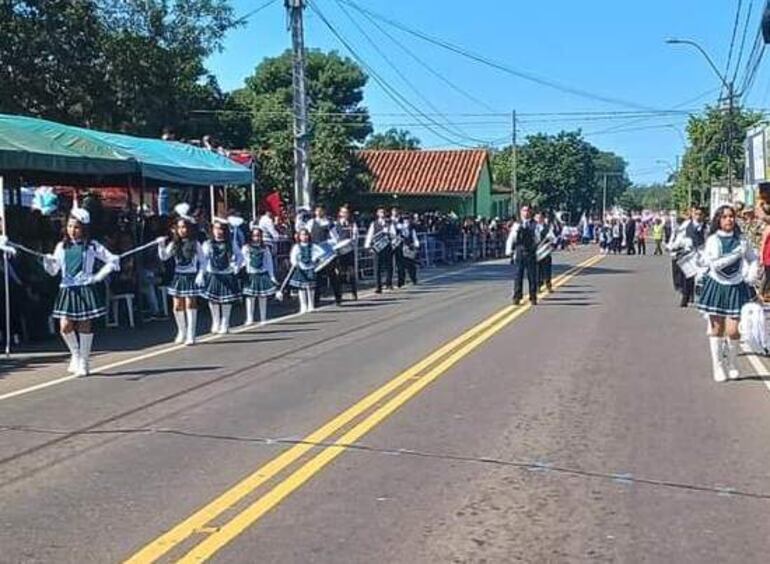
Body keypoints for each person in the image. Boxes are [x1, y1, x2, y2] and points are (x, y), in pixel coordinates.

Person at [42, 208, 119, 376]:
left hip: (85, 288)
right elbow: (54, 271)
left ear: (84, 228)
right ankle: (75, 354)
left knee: (84, 324)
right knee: (65, 326)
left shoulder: (92, 246)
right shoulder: (61, 246)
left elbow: (111, 260)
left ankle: (84, 360)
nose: (72, 230)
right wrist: (47, 261)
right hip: (67, 289)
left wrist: (98, 276)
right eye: (69, 226)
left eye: (76, 227)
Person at [697, 205, 758, 382]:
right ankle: (717, 366)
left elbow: (752, 258)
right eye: (724, 217)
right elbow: (716, 264)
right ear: (718, 220)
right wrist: (737, 253)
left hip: (736, 286)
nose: (729, 220)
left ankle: (732, 363)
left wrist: (751, 272)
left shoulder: (742, 240)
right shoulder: (713, 240)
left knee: (733, 330)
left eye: (731, 216)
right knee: (717, 328)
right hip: (717, 285)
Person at [158, 204, 205, 345]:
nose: (182, 230)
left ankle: (191, 333)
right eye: (179, 228)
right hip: (178, 276)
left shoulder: (195, 243)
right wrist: (160, 245)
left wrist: (200, 274)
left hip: (191, 276)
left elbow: (203, 261)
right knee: (177, 305)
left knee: (190, 303)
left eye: (184, 227)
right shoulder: (174, 244)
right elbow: (164, 257)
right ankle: (181, 331)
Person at [200, 218, 244, 335]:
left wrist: (237, 266)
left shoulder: (231, 243)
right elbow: (203, 259)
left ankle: (225, 323)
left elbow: (240, 256)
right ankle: (215, 321)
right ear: (212, 230)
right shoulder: (208, 244)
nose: (219, 231)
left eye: (221, 229)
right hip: (213, 274)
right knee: (213, 300)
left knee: (226, 300)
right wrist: (202, 272)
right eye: (216, 229)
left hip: (226, 273)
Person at [669, 207, 707, 307]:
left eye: (700, 214)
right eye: (696, 214)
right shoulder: (686, 225)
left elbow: (709, 240)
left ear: (703, 215)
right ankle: (686, 297)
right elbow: (679, 236)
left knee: (701, 277)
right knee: (688, 277)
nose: (698, 216)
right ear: (693, 214)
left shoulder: (706, 227)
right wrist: (675, 246)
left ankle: (700, 298)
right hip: (689, 254)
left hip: (701, 254)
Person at [306, 204, 341, 306]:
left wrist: (327, 243)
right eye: (317, 211)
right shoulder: (311, 223)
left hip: (328, 253)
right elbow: (306, 235)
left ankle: (338, 298)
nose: (319, 212)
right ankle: (315, 300)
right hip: (316, 253)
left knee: (333, 275)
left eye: (321, 210)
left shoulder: (329, 223)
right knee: (317, 276)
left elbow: (336, 238)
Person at [242, 225, 277, 325]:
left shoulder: (265, 248)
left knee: (262, 297)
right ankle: (249, 318)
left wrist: (272, 276)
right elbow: (243, 261)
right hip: (251, 275)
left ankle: (263, 318)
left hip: (262, 274)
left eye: (258, 236)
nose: (256, 238)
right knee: (250, 297)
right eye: (254, 236)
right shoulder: (246, 248)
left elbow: (269, 263)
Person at [506, 205, 540, 305]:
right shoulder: (517, 224)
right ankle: (517, 296)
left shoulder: (535, 224)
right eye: (524, 211)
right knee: (518, 275)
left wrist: (534, 247)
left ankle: (533, 297)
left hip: (530, 251)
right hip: (520, 251)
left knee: (532, 276)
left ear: (531, 212)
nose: (526, 213)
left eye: (528, 211)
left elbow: (537, 238)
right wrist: (509, 251)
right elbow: (511, 238)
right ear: (521, 212)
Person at [364, 206, 395, 293]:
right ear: (377, 214)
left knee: (389, 266)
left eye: (383, 212)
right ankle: (378, 286)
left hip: (387, 246)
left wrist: (391, 241)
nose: (382, 213)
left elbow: (393, 233)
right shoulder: (374, 223)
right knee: (377, 267)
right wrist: (367, 246)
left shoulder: (389, 223)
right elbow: (370, 235)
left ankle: (388, 283)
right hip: (377, 247)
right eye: (380, 212)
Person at [289, 228, 317, 313]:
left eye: (306, 235)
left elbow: (318, 254)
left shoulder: (312, 246)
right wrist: (294, 262)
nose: (304, 237)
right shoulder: (297, 247)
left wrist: (315, 259)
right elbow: (293, 257)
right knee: (302, 288)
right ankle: (303, 305)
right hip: (301, 268)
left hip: (310, 267)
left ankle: (311, 304)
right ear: (299, 236)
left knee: (311, 287)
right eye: (302, 235)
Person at [334, 205, 359, 300]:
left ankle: (354, 293)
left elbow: (355, 236)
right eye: (343, 212)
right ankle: (339, 295)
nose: (345, 214)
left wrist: (352, 243)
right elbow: (333, 236)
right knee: (339, 274)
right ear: (340, 213)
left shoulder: (352, 224)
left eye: (346, 212)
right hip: (339, 252)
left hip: (349, 251)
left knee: (352, 273)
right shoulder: (335, 224)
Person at [393, 213, 420, 287]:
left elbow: (415, 237)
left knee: (411, 265)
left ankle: (414, 279)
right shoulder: (398, 228)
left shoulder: (411, 228)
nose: (406, 221)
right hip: (400, 248)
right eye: (405, 219)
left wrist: (416, 245)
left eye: (407, 219)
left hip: (409, 248)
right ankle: (401, 282)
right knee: (400, 266)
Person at [535, 212, 557, 292]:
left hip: (546, 252)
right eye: (537, 218)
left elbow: (553, 238)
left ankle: (548, 285)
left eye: (540, 217)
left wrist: (551, 242)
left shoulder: (548, 228)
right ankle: (538, 286)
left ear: (543, 218)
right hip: (536, 252)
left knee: (547, 270)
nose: (538, 219)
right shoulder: (533, 227)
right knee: (537, 270)